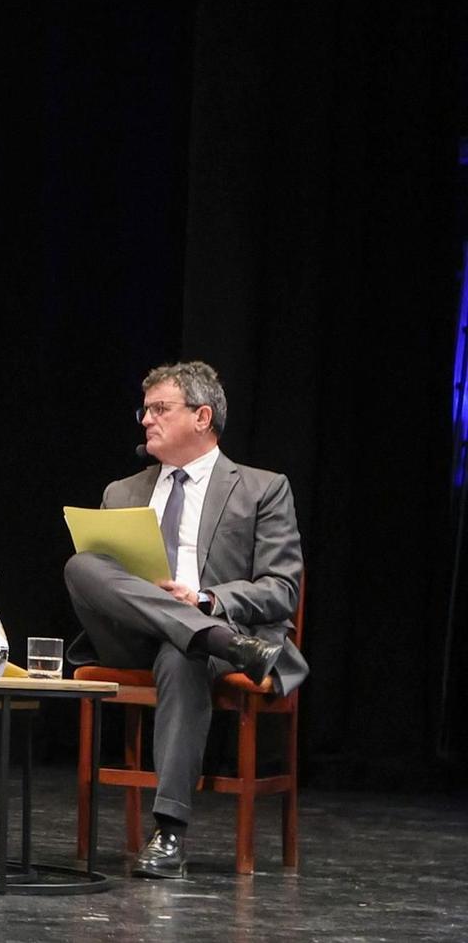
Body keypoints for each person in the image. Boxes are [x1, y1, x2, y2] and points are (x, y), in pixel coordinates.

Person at [64, 360, 304, 879]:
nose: (146, 420)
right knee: (81, 565)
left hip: (204, 639)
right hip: (135, 638)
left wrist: (207, 601)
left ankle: (169, 831)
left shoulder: (262, 489)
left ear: (201, 416)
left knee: (183, 650)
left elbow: (282, 589)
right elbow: (104, 587)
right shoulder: (121, 492)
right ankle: (218, 640)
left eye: (159, 409)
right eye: (144, 410)